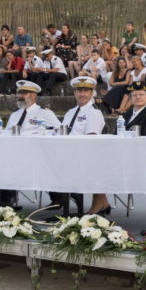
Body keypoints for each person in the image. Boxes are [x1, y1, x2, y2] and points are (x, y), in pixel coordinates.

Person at [0, 80, 60, 207]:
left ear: (34, 95)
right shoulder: (15, 115)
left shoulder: (44, 113)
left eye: (24, 93)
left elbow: (59, 131)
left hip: (35, 157)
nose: (20, 96)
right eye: (19, 92)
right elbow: (6, 134)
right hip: (13, 155)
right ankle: (6, 198)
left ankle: (59, 198)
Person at [56, 76, 108, 216]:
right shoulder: (70, 112)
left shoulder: (94, 112)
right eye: (79, 91)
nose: (82, 94)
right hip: (68, 153)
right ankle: (102, 202)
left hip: (84, 156)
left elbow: (90, 141)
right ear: (74, 93)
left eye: (86, 91)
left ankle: (96, 202)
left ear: (92, 93)